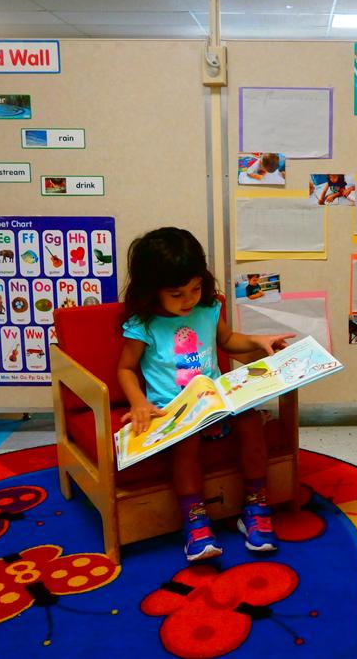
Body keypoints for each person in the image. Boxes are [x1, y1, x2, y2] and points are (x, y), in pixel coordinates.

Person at [117, 227, 294, 562]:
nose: (189, 299)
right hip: (175, 408)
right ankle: (195, 520)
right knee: (186, 442)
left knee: (251, 421)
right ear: (153, 291)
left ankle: (255, 507)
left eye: (195, 288)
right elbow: (125, 369)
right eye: (178, 293)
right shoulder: (143, 324)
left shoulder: (208, 308)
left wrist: (258, 341)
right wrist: (139, 402)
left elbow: (227, 342)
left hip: (217, 399)